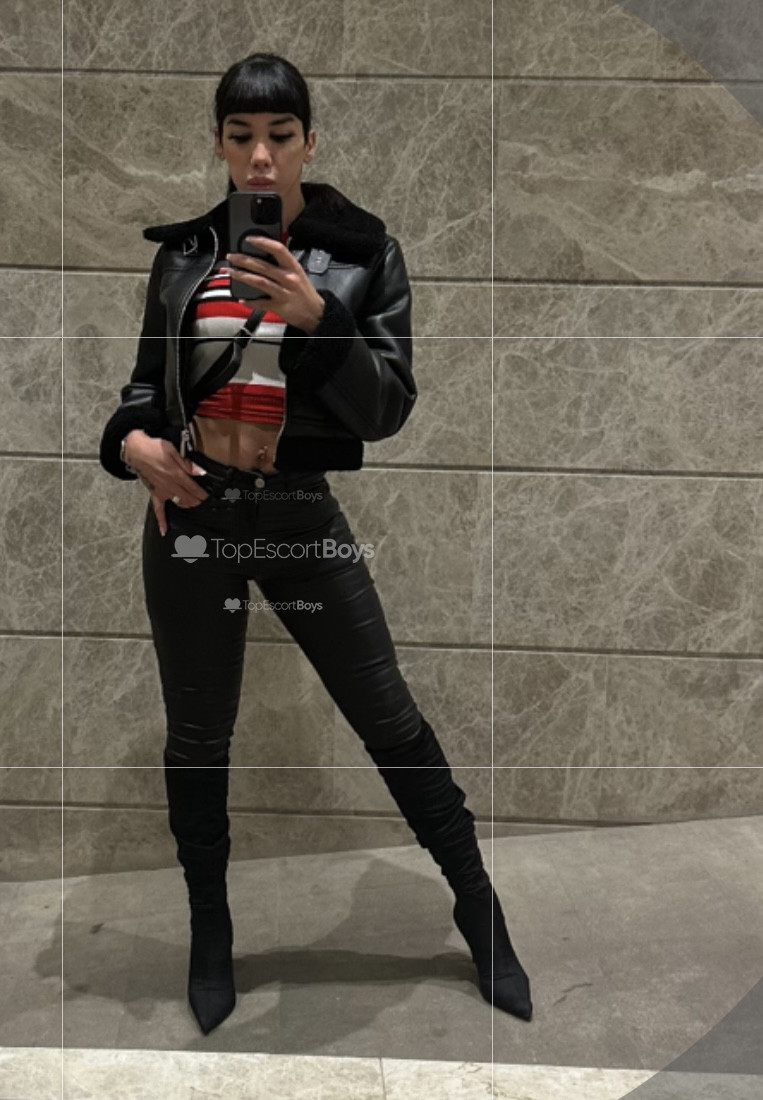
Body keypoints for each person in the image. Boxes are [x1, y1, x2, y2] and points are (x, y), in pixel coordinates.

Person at [99, 52, 532, 1034]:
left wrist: (317, 318)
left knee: (389, 718)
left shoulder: (362, 252)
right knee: (197, 739)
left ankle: (479, 908)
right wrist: (131, 445)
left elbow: (387, 409)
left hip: (299, 515)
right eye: (241, 136)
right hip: (194, 516)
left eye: (280, 136)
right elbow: (143, 388)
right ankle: (211, 930)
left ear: (307, 142)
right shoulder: (183, 257)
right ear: (219, 143)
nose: (260, 156)